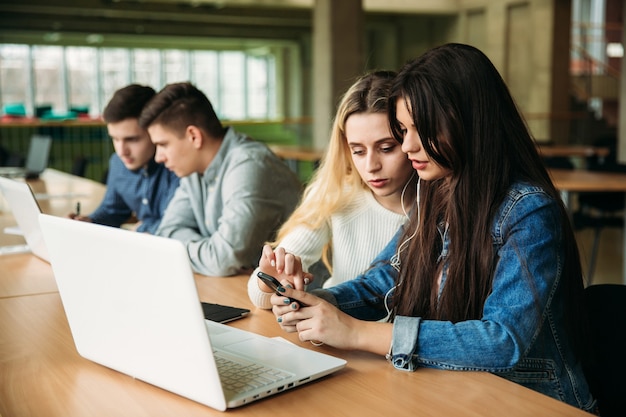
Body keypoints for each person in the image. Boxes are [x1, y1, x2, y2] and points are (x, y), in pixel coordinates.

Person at [259, 44, 596, 413]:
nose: (409, 146)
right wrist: (321, 304)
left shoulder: (528, 211)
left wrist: (357, 332)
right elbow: (383, 281)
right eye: (403, 130)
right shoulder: (437, 194)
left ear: (470, 122)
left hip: (534, 403)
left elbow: (503, 341)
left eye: (423, 129)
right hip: (458, 390)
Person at [247, 70, 416, 308]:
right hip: (333, 329)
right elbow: (260, 296)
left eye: (387, 148)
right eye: (358, 151)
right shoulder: (336, 193)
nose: (371, 166)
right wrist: (272, 280)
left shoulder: (441, 208)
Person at [138, 82, 302, 277]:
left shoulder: (249, 164)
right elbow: (167, 231)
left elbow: (222, 260)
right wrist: (209, 251)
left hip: (311, 295)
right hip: (253, 289)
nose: (158, 157)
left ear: (194, 136)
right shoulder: (192, 171)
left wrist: (203, 253)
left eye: (163, 144)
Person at [68, 84, 179, 234]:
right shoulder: (118, 163)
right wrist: (89, 222)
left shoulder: (177, 165)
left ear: (154, 132)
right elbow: (112, 211)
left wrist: (143, 228)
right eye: (115, 139)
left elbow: (177, 222)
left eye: (132, 140)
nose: (121, 151)